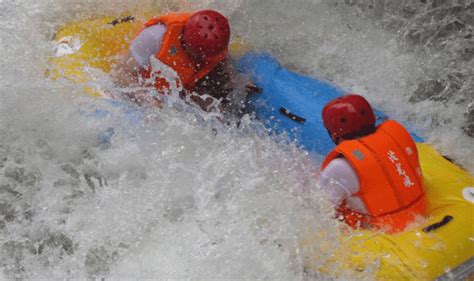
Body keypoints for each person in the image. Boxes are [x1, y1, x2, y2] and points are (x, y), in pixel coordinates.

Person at [318, 94, 427, 233]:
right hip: (420, 212)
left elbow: (321, 208)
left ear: (333, 133)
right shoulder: (396, 134)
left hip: (385, 232)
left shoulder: (339, 166)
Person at [114, 10, 238, 113]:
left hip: (182, 89)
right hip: (150, 87)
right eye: (199, 56)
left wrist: (238, 80)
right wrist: (145, 98)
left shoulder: (216, 42)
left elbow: (223, 63)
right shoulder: (154, 37)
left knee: (219, 108)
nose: (203, 61)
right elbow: (120, 72)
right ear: (185, 41)